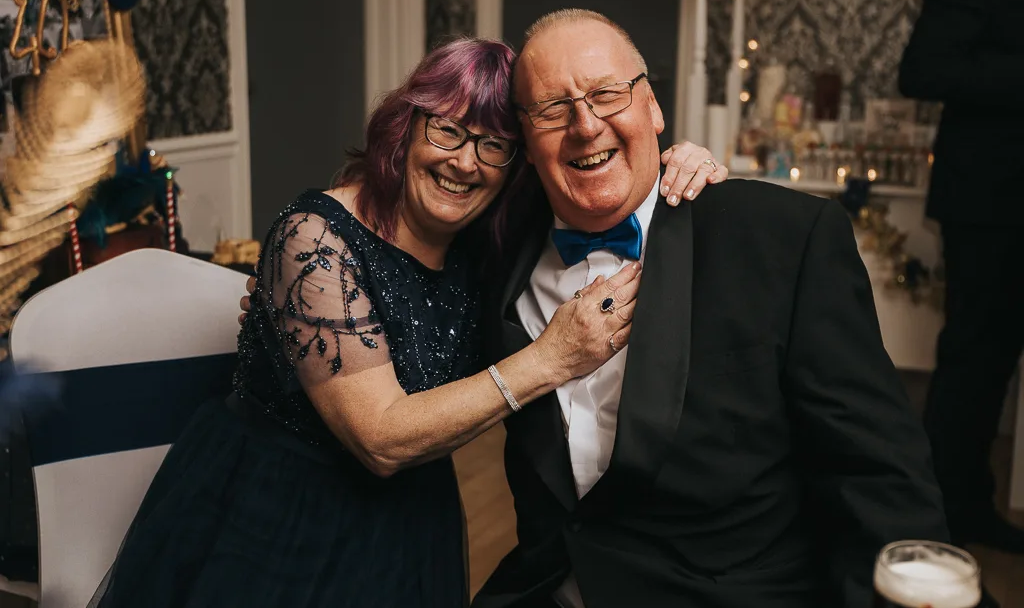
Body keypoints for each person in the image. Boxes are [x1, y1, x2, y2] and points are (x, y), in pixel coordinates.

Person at [92, 37, 725, 608]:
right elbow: (382, 440)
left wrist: (683, 162)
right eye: (446, 131)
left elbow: (594, 171)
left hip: (409, 519)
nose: (465, 161)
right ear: (406, 127)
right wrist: (550, 358)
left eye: (493, 145)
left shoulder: (486, 245)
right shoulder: (314, 237)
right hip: (278, 516)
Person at [468, 9, 948, 608]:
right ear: (524, 140)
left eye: (607, 94)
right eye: (552, 110)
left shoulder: (781, 240)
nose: (586, 125)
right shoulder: (492, 252)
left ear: (654, 109)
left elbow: (878, 473)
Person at [899, 0, 1024, 554]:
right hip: (993, 201)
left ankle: (968, 500)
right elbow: (922, 70)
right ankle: (947, 510)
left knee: (995, 363)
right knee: (975, 359)